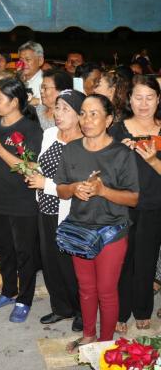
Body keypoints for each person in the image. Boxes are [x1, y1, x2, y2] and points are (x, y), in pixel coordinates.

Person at [55, 93, 139, 352]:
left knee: (106, 290)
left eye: (94, 114)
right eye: (83, 113)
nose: (87, 120)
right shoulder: (71, 150)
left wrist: (103, 191)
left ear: (109, 119)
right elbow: (60, 190)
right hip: (80, 230)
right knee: (86, 288)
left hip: (111, 232)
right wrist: (74, 188)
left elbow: (133, 198)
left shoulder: (121, 154)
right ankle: (89, 335)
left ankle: (106, 342)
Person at [0, 77, 42, 323]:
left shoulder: (31, 129)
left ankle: (24, 299)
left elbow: (31, 168)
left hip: (22, 201)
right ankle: (9, 291)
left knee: (25, 252)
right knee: (4, 250)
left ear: (14, 102)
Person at [27, 89, 85, 332]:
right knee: (50, 262)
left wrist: (45, 184)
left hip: (69, 213)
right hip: (45, 209)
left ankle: (82, 311)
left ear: (80, 115)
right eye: (58, 108)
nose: (58, 114)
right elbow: (43, 165)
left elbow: (78, 185)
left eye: (65, 109)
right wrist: (33, 170)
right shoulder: (50, 133)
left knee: (71, 266)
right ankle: (61, 307)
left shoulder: (84, 144)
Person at [110, 75, 161, 332]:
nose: (143, 104)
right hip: (122, 205)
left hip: (155, 205)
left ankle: (142, 308)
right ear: (129, 99)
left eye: (149, 97)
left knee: (146, 260)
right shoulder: (117, 130)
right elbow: (104, 172)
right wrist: (119, 153)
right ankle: (120, 311)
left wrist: (152, 160)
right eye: (138, 97)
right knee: (122, 260)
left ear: (158, 99)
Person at [17, 41, 45, 106]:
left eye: (28, 59)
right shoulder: (17, 80)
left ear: (40, 61)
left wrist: (38, 101)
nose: (23, 64)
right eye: (21, 60)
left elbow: (54, 102)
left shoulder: (46, 82)